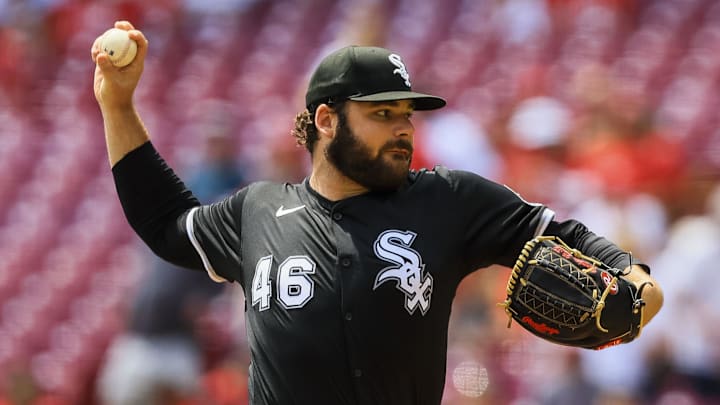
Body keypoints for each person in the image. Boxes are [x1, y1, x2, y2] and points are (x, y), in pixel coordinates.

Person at [91, 21, 663, 405]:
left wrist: (634, 277)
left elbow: (561, 233)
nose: (403, 129)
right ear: (325, 121)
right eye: (382, 114)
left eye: (407, 115)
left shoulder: (447, 200)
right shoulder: (258, 210)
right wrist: (117, 106)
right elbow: (167, 226)